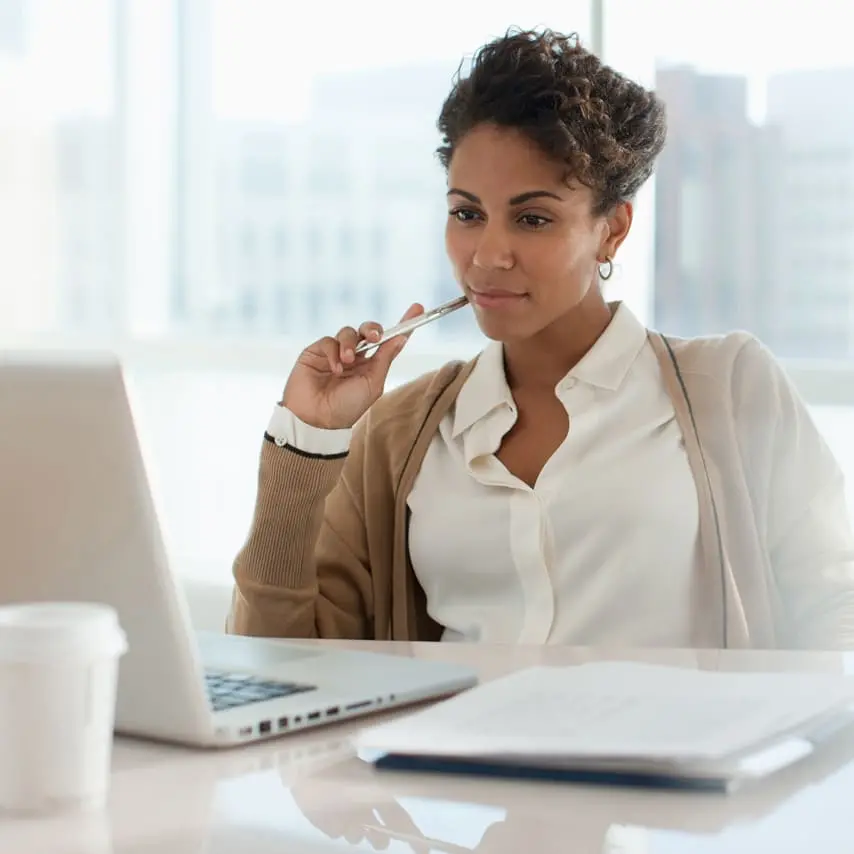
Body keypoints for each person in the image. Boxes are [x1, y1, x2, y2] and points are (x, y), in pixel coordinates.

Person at [226, 28, 854, 649]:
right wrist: (308, 438)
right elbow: (279, 663)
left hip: (668, 751)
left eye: (532, 219)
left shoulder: (732, 388)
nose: (488, 255)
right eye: (467, 213)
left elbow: (837, 611)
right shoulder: (400, 434)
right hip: (448, 753)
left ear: (612, 230)